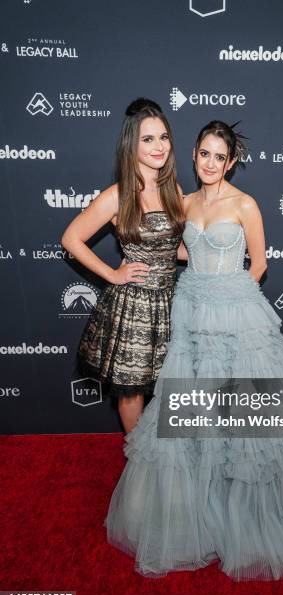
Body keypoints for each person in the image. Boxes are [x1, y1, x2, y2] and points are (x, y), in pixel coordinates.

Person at [104, 120, 283, 580]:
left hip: (236, 314)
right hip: (190, 310)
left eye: (219, 157)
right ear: (193, 155)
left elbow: (260, 261)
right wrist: (123, 235)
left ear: (231, 162)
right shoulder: (182, 203)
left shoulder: (246, 204)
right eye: (203, 154)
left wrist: (235, 300)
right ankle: (195, 506)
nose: (210, 163)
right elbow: (172, 248)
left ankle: (250, 506)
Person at [61, 98, 184, 433]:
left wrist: (221, 251)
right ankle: (139, 461)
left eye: (163, 137)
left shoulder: (172, 189)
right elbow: (71, 239)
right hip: (135, 304)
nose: (159, 146)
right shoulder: (118, 195)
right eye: (148, 139)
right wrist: (113, 274)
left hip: (171, 302)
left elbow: (177, 249)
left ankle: (165, 456)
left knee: (169, 386)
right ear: (132, 145)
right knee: (131, 390)